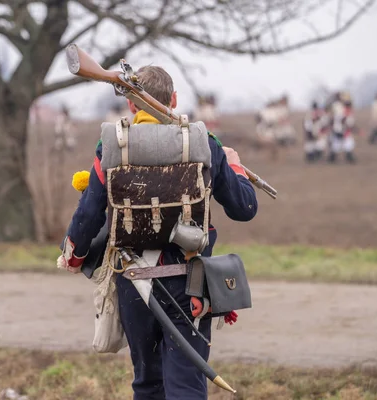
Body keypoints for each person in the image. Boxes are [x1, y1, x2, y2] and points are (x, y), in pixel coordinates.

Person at [58, 65, 258, 400]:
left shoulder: (112, 144)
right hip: (190, 287)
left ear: (133, 105)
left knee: (148, 385)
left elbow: (89, 213)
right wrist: (234, 165)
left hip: (134, 286)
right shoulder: (203, 142)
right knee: (186, 386)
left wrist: (74, 255)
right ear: (174, 99)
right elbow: (244, 208)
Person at [328, 92, 356, 163]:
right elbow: (337, 120)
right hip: (338, 130)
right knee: (336, 146)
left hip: (343, 131)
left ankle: (349, 157)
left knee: (348, 145)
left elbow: (349, 123)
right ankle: (332, 158)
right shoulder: (338, 108)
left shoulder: (347, 111)